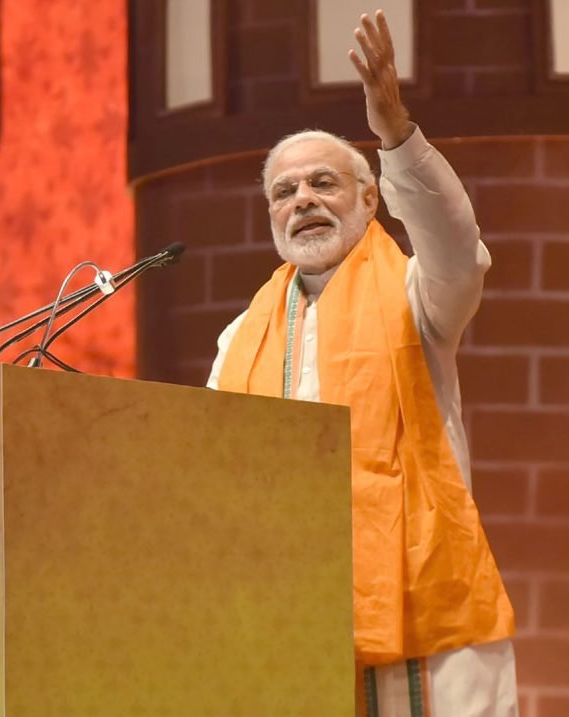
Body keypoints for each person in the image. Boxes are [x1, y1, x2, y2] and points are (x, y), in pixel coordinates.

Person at [207, 10, 518, 717]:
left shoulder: (417, 294)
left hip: (425, 611)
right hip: (290, 617)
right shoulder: (238, 343)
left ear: (371, 197)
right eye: (284, 193)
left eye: (323, 182)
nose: (303, 201)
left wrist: (395, 136)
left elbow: (453, 241)